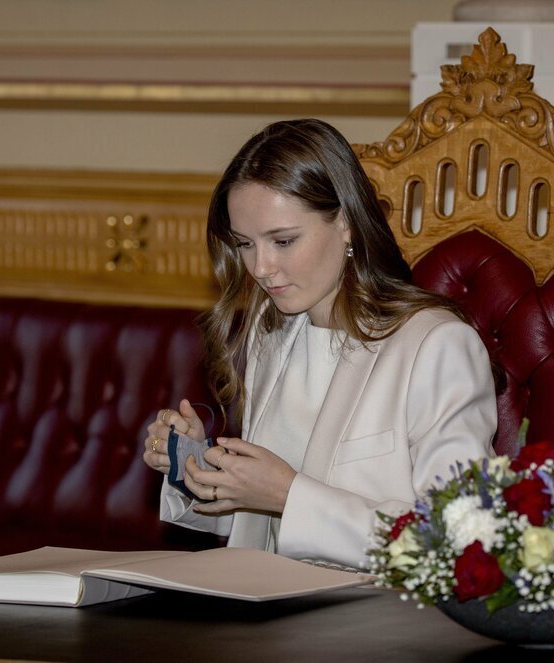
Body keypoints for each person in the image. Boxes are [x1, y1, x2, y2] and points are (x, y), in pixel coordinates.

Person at [142, 118, 496, 569]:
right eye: (245, 244)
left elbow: (457, 541)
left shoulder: (437, 346)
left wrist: (288, 494)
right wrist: (199, 471)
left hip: (379, 622)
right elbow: (261, 527)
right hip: (264, 608)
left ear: (346, 222)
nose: (261, 268)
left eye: (283, 240)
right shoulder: (271, 333)